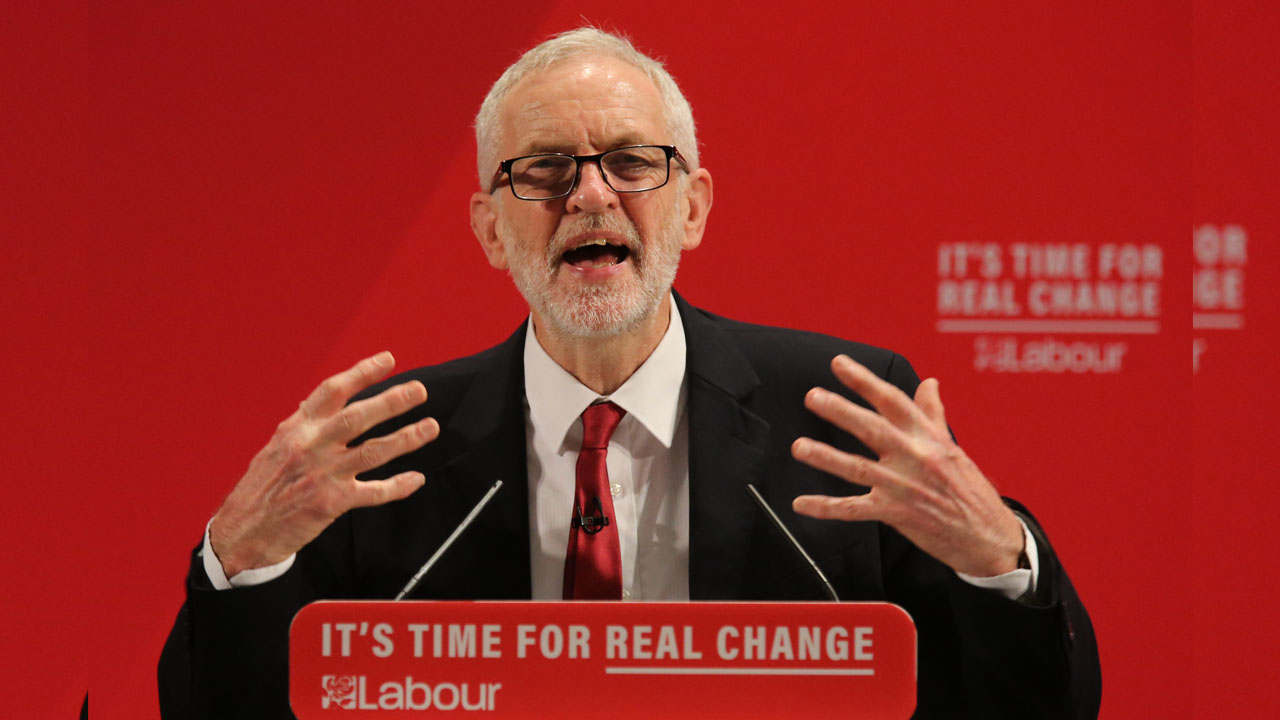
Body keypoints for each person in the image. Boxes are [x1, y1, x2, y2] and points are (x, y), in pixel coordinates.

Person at [159, 27, 1100, 719]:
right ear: (490, 229)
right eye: (544, 170)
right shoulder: (388, 449)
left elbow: (1040, 708)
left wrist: (998, 558)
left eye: (630, 162)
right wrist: (241, 557)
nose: (591, 194)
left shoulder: (839, 417)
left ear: (693, 207)